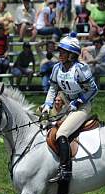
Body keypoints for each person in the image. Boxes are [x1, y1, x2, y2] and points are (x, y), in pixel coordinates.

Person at [41, 33, 99, 182]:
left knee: (62, 134)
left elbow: (93, 89)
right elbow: (53, 88)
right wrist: (47, 105)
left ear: (72, 55)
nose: (60, 54)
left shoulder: (80, 69)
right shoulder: (56, 68)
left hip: (82, 107)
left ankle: (65, 171)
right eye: (59, 51)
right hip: (67, 104)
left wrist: (79, 102)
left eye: (63, 52)